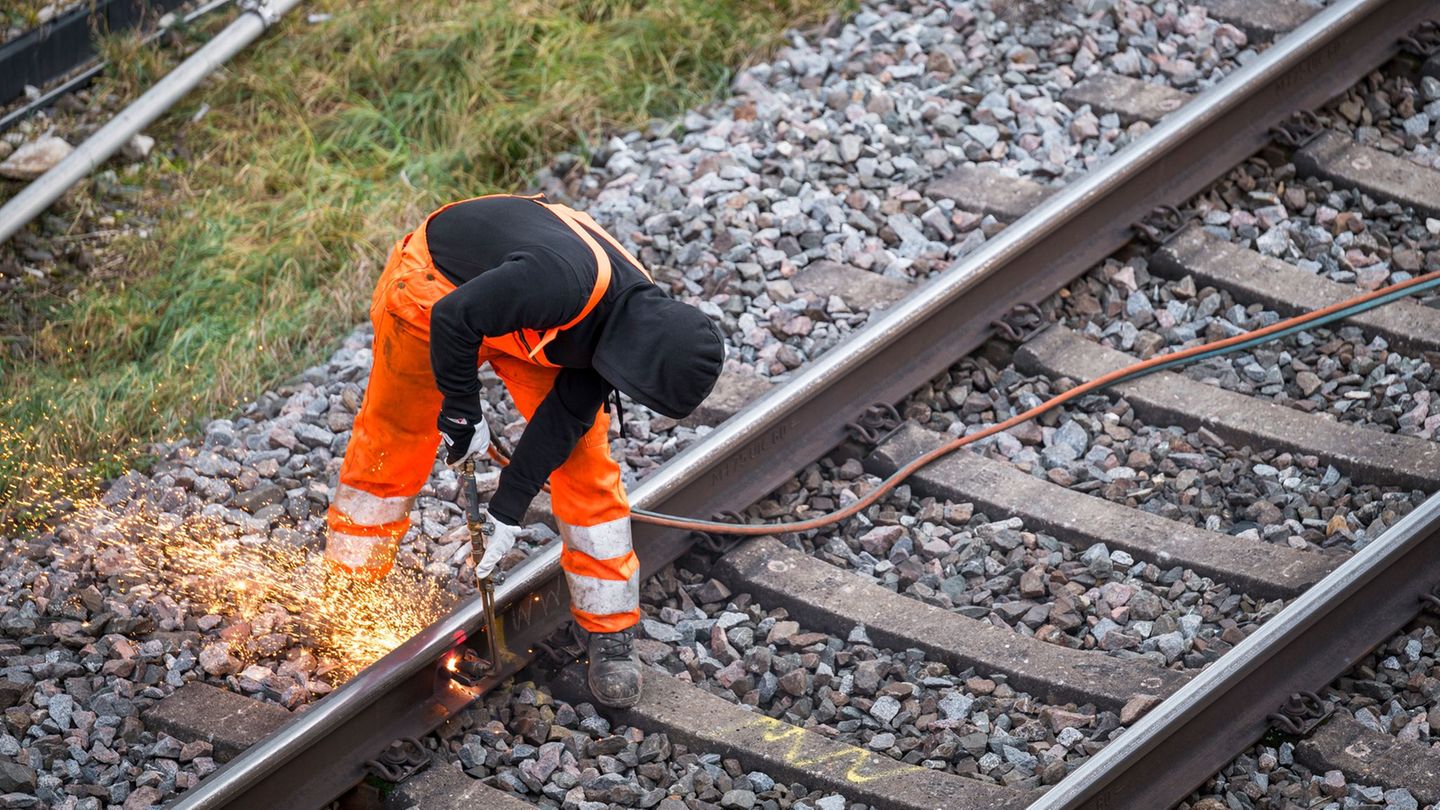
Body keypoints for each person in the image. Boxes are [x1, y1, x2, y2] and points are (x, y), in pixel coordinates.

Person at [324, 193, 724, 707]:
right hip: (437, 290)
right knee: (395, 442)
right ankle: (351, 590)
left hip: (531, 317)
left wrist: (507, 510)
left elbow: (563, 421)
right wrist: (463, 412)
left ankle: (610, 628)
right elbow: (453, 317)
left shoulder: (636, 328)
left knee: (586, 467)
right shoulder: (560, 283)